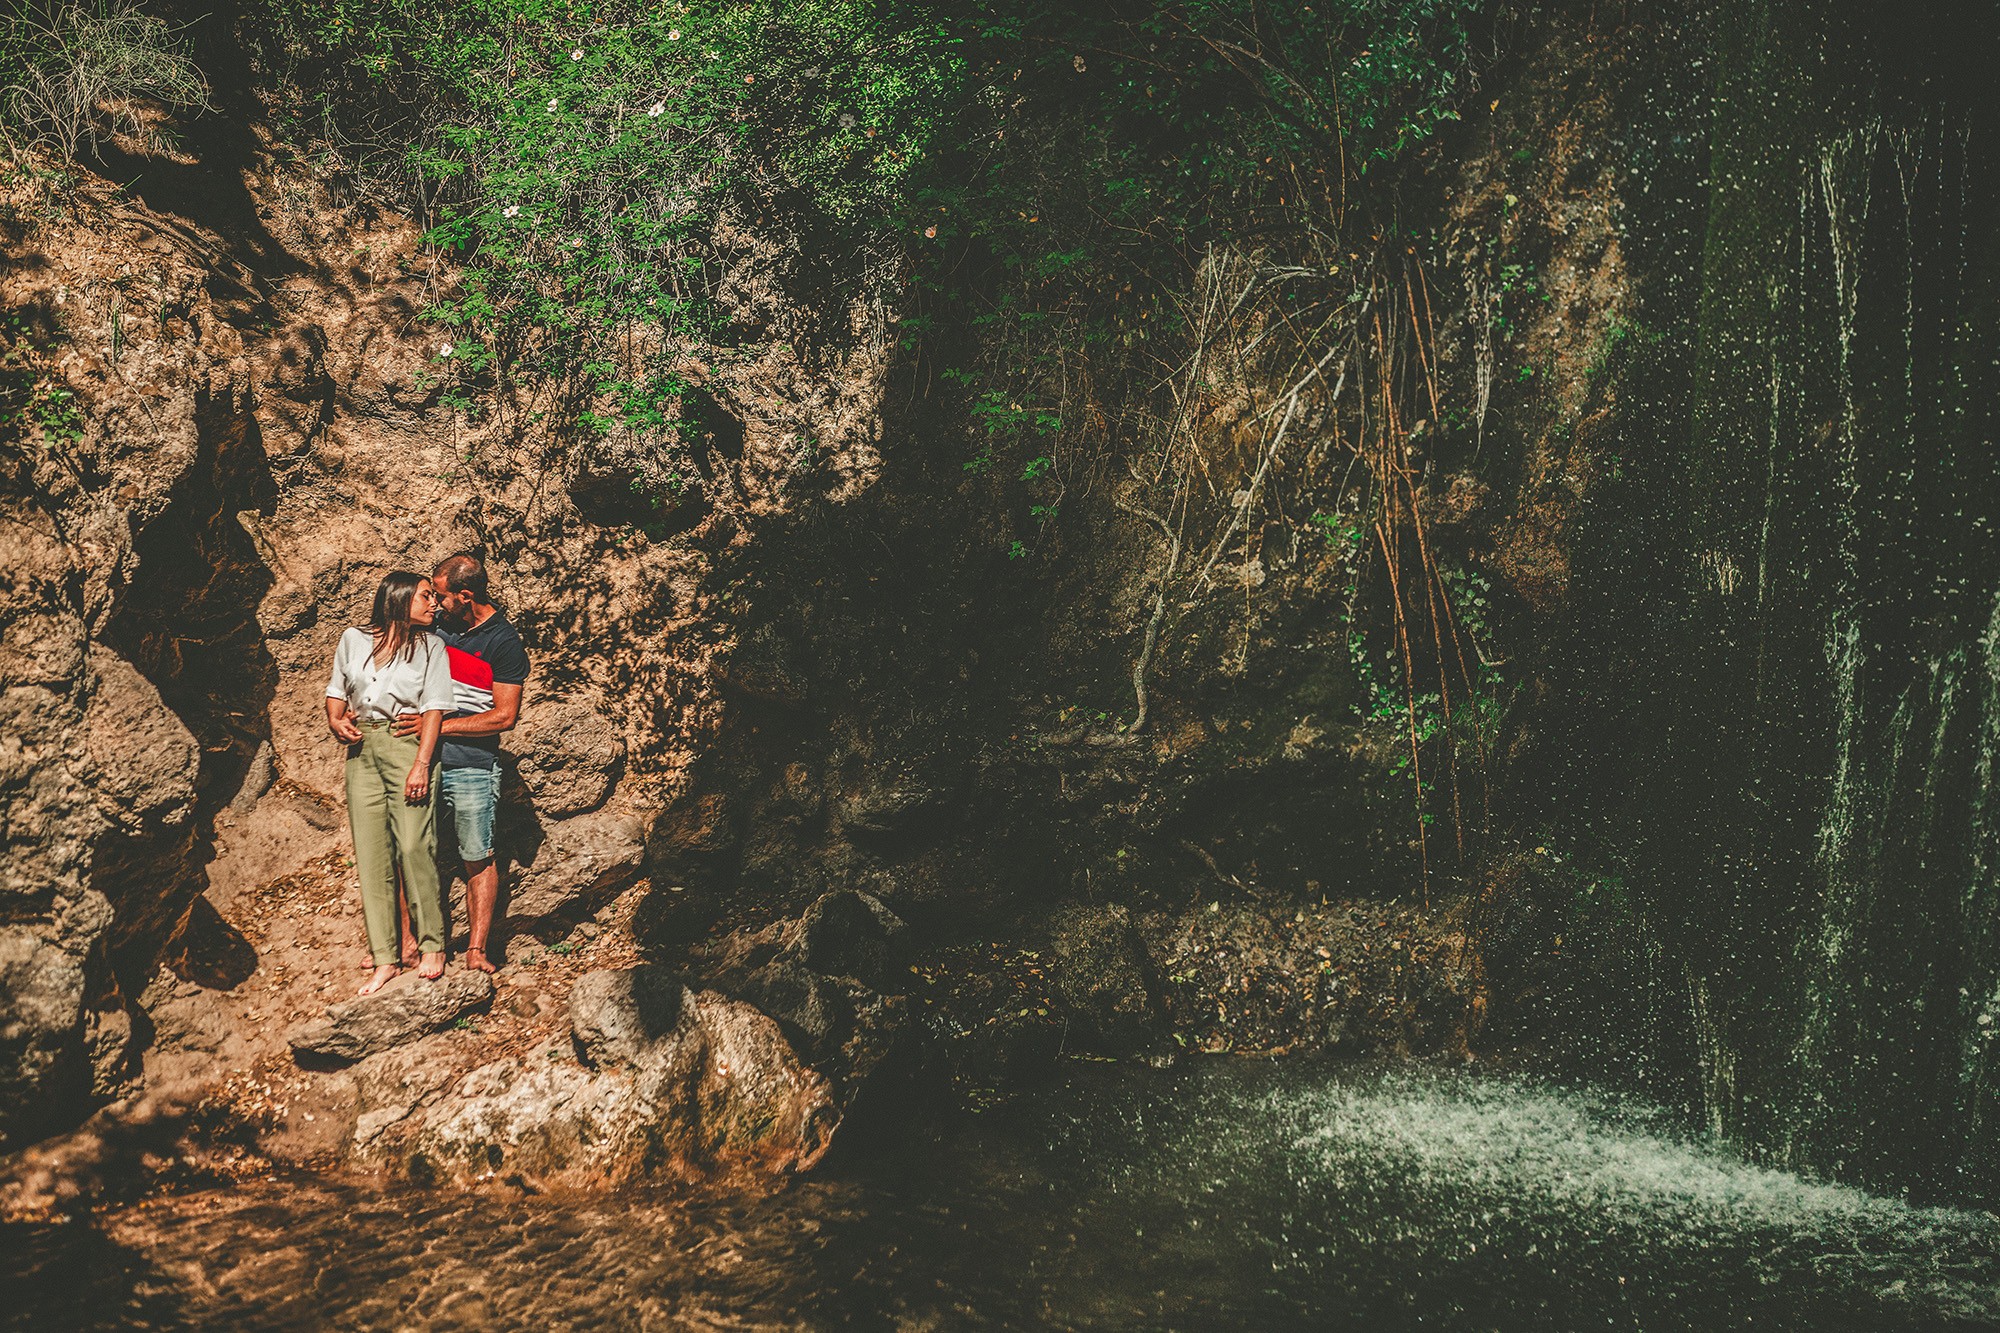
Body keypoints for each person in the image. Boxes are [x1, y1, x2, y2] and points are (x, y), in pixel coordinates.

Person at [394, 552, 529, 974]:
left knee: (478, 855)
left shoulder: (503, 642)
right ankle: (406, 943)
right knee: (409, 851)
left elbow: (504, 717)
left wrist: (437, 727)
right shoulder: (436, 626)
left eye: (441, 595)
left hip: (472, 762)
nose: (434, 603)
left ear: (465, 596)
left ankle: (475, 950)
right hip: (419, 760)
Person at [324, 571, 454, 996]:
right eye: (425, 597)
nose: (434, 604)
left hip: (406, 745)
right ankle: (385, 958)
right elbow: (336, 689)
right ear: (398, 599)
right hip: (362, 750)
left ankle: (432, 945)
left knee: (416, 845)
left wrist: (421, 763)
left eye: (434, 597)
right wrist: (334, 717)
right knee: (372, 855)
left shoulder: (432, 647)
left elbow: (434, 709)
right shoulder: (353, 639)